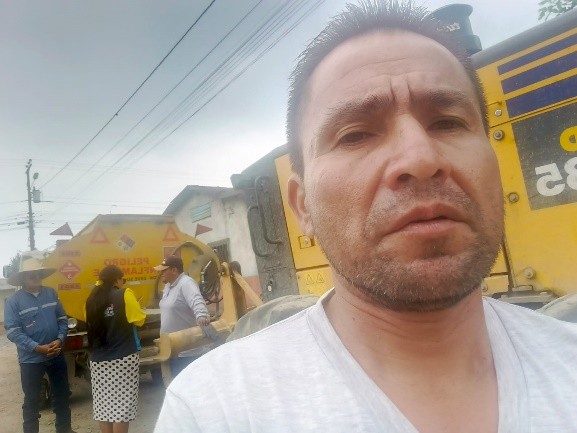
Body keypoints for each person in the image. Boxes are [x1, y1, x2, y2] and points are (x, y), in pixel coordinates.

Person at [155, 1, 577, 432]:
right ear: (303, 206)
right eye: (355, 134)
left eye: (448, 123)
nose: (421, 158)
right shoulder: (213, 410)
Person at [4, 258, 76, 433]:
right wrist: (37, 347)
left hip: (56, 354)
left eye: (39, 274)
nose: (37, 277)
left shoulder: (51, 293)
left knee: (62, 395)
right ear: (23, 279)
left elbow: (62, 319)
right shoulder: (14, 301)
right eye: (32, 275)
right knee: (32, 401)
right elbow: (13, 332)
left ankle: (64, 430)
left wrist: (59, 339)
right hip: (31, 360)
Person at [85, 264, 146, 433]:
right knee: (121, 409)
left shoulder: (91, 300)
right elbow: (139, 320)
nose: (123, 283)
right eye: (122, 280)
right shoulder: (124, 294)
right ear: (116, 280)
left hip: (98, 360)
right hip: (123, 358)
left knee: (104, 408)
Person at [153, 255, 210, 376]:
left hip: (186, 353)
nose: (161, 273)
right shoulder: (168, 286)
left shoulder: (186, 283)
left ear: (174, 270)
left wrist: (201, 315)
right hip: (172, 350)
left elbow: (196, 300)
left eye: (164, 270)